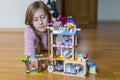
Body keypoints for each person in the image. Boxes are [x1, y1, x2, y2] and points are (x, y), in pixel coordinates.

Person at [24, 0, 67, 72]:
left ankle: (56, 13)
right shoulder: (29, 31)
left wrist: (55, 54)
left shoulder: (56, 27)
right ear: (31, 22)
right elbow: (29, 50)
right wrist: (32, 58)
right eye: (35, 19)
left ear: (49, 16)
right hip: (44, 49)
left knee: (72, 29)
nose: (40, 22)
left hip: (63, 31)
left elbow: (62, 47)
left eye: (43, 17)